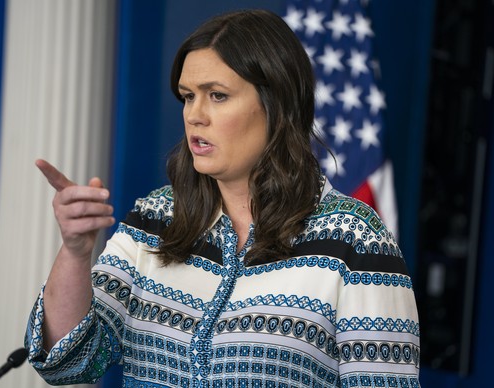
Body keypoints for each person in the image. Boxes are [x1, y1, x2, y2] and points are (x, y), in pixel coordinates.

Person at [25, 9, 421, 388]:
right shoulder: (155, 218)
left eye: (216, 95)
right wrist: (76, 252)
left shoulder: (354, 238)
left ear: (276, 105)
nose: (195, 114)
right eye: (187, 96)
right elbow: (68, 360)